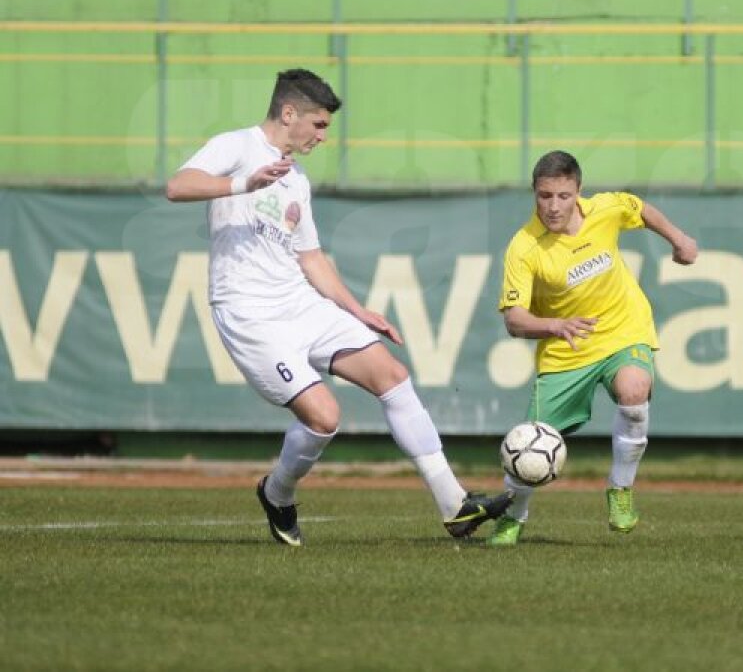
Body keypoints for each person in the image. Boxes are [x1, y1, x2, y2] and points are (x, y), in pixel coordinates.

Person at [165, 68, 511, 546]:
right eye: (319, 125)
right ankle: (277, 492)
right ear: (289, 114)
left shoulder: (296, 180)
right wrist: (243, 184)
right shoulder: (237, 147)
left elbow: (309, 257)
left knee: (391, 376)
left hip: (299, 302)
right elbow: (178, 185)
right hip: (249, 312)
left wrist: (357, 309)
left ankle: (454, 505)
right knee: (325, 418)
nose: (323, 137)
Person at [486, 150, 698, 547]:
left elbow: (640, 207)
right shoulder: (524, 246)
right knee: (530, 444)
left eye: (563, 196)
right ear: (534, 193)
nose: (553, 206)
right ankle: (513, 517)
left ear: (578, 191)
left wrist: (680, 239)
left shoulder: (605, 209)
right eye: (545, 196)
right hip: (566, 351)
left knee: (634, 390)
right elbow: (514, 319)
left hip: (622, 330)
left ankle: (620, 489)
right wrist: (553, 324)